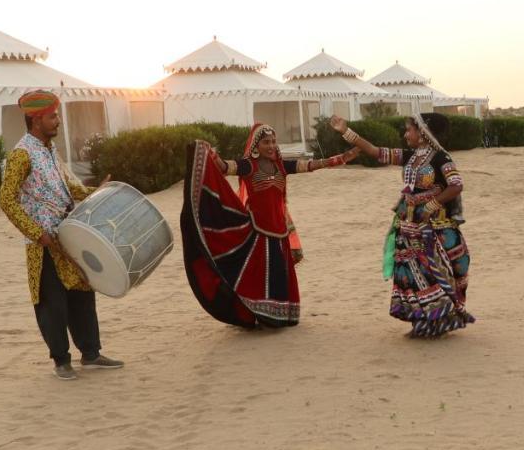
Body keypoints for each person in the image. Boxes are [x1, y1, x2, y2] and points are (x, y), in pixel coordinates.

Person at [0, 89, 124, 380]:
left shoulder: (51, 150)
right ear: (36, 119)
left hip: (68, 236)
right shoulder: (21, 154)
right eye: (53, 116)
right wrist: (35, 232)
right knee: (53, 303)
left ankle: (91, 354)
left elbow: (71, 188)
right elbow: (6, 198)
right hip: (44, 244)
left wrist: (98, 192)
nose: (58, 121)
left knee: (81, 295)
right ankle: (61, 362)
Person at [181, 123, 356, 328]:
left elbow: (311, 165)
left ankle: (278, 315)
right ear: (256, 145)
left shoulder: (281, 166)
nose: (271, 146)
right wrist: (209, 152)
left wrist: (340, 159)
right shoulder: (248, 165)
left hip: (279, 232)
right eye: (266, 142)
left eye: (273, 141)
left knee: (278, 276)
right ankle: (259, 314)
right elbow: (224, 168)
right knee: (255, 278)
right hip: (258, 234)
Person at [331, 112, 475, 338]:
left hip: (434, 228)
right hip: (408, 224)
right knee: (411, 274)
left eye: (409, 129)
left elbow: (456, 185)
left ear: (423, 132)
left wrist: (431, 205)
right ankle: (422, 323)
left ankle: (438, 323)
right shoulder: (411, 156)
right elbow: (376, 152)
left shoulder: (441, 158)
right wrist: (346, 131)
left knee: (434, 273)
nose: (406, 133)